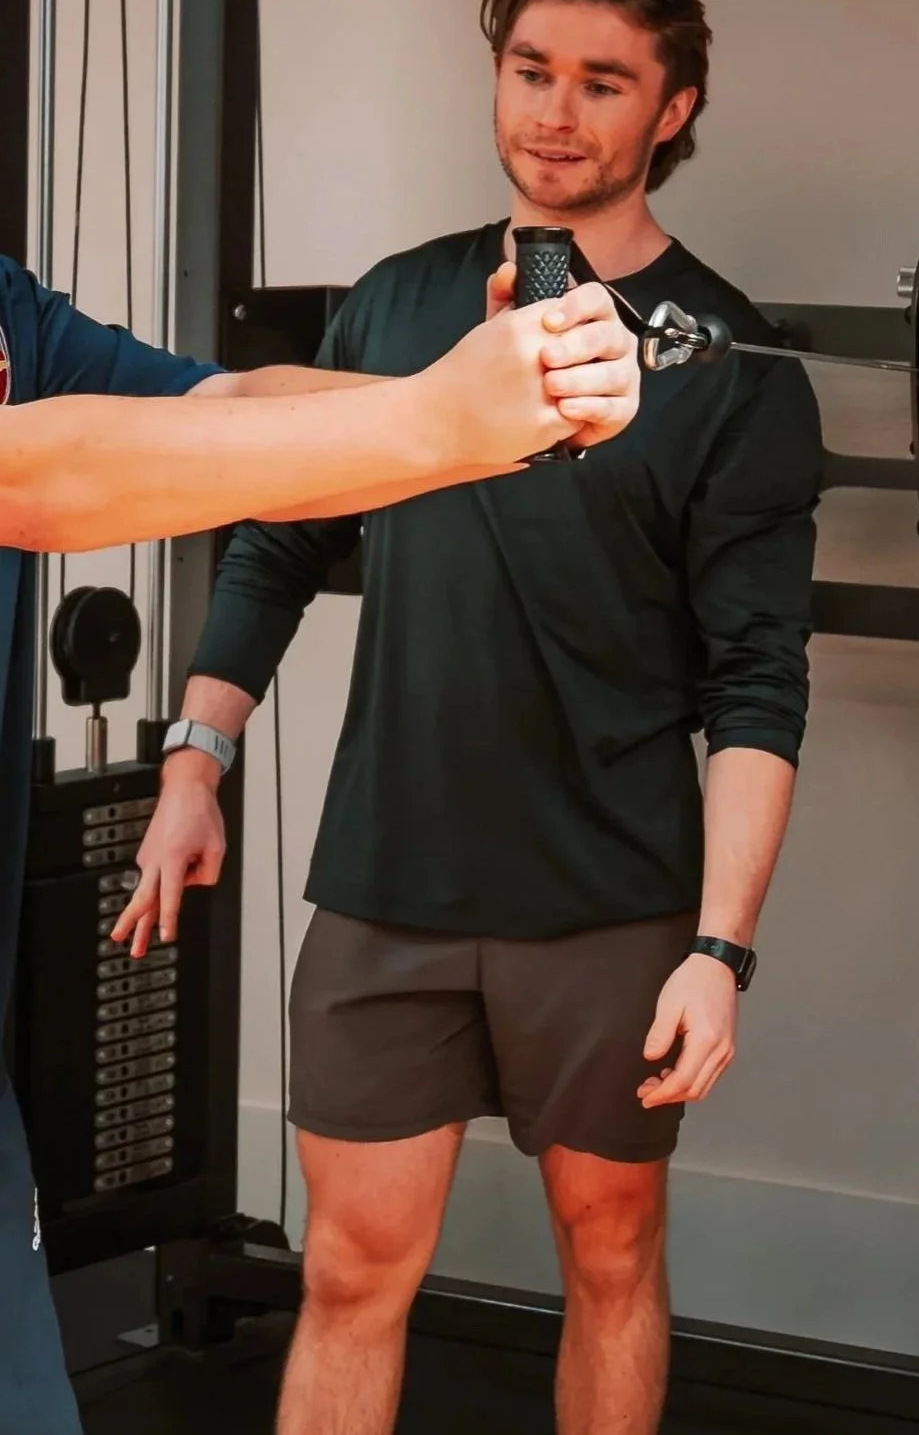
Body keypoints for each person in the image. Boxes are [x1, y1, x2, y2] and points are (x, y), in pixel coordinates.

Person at [124, 0, 824, 1435]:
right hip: (391, 887)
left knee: (611, 1255)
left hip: (612, 901)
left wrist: (722, 947)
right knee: (354, 1271)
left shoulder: (732, 369)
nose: (555, 113)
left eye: (600, 81)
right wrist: (196, 760)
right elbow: (274, 546)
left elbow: (760, 689)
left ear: (672, 109)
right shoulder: (392, 305)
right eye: (529, 71)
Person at [0, 251, 640, 1435]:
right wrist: (435, 417)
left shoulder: (8, 305)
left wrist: (493, 410)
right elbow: (32, 477)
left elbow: (215, 413)